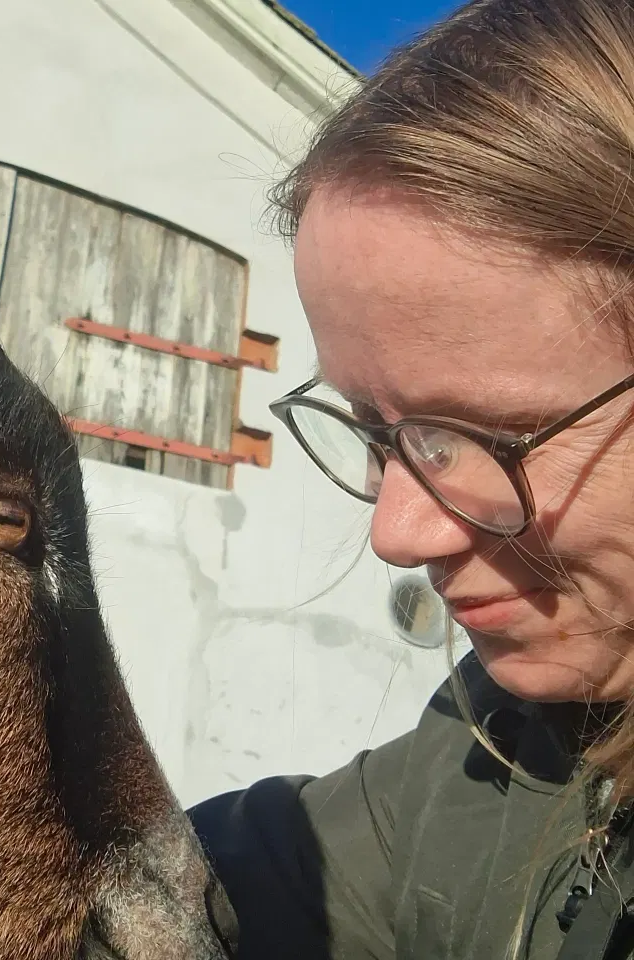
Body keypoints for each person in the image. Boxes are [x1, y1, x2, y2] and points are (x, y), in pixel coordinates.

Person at [187, 1, 634, 958]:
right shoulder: (514, 750)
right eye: (376, 433)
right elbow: (251, 882)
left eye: (489, 435)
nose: (398, 533)